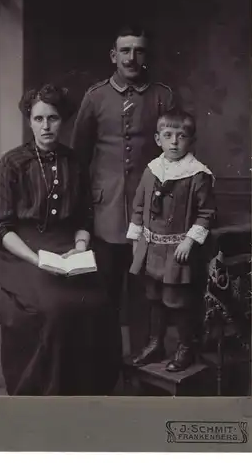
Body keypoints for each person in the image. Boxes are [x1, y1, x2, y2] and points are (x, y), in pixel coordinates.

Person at [0, 84, 121, 396]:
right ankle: (48, 392)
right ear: (29, 121)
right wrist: (38, 260)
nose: (46, 126)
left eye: (53, 118)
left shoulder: (74, 162)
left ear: (62, 120)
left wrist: (79, 248)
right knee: (55, 307)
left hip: (67, 245)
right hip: (22, 251)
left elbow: (83, 218)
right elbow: (2, 227)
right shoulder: (13, 163)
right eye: (38, 119)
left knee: (97, 303)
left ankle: (88, 392)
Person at [71, 26, 175, 343]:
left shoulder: (162, 96)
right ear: (114, 56)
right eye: (125, 50)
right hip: (106, 213)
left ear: (146, 56)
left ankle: (144, 361)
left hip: (150, 214)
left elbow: (175, 155)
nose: (132, 57)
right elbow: (79, 156)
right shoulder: (95, 97)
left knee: (145, 293)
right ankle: (105, 366)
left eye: (138, 50)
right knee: (105, 295)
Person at [126, 108, 216, 372]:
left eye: (182, 136)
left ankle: (185, 346)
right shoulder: (152, 170)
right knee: (154, 297)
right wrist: (136, 241)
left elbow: (206, 213)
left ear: (191, 140)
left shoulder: (197, 174)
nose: (174, 142)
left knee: (176, 300)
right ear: (158, 139)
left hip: (178, 251)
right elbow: (139, 207)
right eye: (168, 135)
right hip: (152, 248)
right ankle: (156, 344)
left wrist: (189, 242)